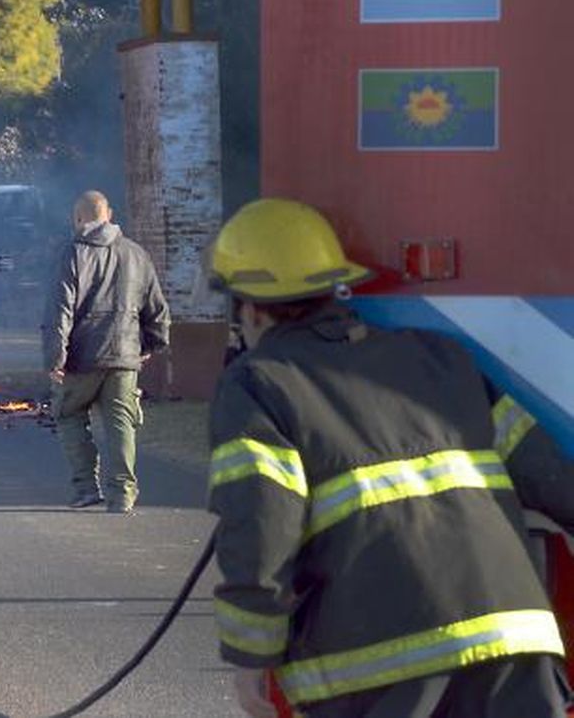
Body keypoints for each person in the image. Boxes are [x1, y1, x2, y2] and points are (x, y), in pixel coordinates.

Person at [206, 198, 572, 718]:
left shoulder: (259, 384)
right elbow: (552, 478)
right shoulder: (440, 358)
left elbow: (261, 526)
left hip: (378, 663)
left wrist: (250, 661)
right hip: (515, 644)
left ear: (251, 307)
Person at [42, 190, 169, 513]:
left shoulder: (71, 254)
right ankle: (123, 494)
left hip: (82, 358)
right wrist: (151, 344)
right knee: (121, 422)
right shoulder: (136, 254)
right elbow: (156, 307)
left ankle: (86, 488)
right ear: (109, 214)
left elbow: (60, 311)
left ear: (78, 218)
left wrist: (54, 358)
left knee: (68, 415)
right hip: (125, 355)